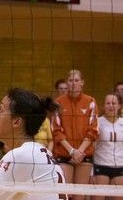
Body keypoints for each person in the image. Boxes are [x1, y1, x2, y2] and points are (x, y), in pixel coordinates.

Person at [52, 69, 99, 200]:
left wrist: (79, 152)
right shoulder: (58, 102)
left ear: (82, 82)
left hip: (84, 155)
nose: (74, 83)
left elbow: (93, 130)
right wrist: (72, 151)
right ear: (67, 83)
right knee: (65, 195)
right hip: (64, 153)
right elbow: (56, 130)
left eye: (77, 80)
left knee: (80, 196)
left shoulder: (90, 101)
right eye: (71, 80)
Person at [93, 93, 123, 200]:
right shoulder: (97, 122)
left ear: (119, 106)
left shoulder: (122, 123)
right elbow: (92, 146)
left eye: (114, 103)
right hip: (101, 166)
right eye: (108, 103)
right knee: (98, 197)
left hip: (120, 167)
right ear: (104, 106)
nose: (111, 106)